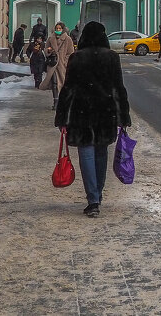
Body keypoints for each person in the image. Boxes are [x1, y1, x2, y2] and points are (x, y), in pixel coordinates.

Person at [54, 21, 131, 217]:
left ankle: (93, 199)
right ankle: (98, 193)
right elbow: (118, 89)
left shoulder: (76, 58)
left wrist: (62, 117)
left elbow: (67, 90)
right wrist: (123, 116)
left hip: (82, 114)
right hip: (106, 113)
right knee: (101, 154)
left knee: (86, 155)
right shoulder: (112, 58)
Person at [46, 21, 76, 108]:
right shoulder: (50, 38)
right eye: (56, 28)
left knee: (62, 83)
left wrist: (65, 61)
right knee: (54, 83)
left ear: (63, 29)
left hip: (62, 65)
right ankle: (55, 101)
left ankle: (64, 101)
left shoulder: (68, 39)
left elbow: (70, 53)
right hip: (53, 64)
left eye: (59, 28)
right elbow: (46, 49)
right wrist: (49, 51)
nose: (58, 30)